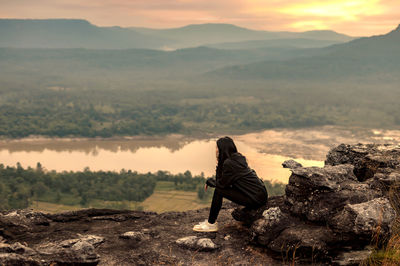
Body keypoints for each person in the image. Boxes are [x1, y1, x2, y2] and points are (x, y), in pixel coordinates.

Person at [193, 136, 268, 232]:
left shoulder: (229, 164)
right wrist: (219, 163)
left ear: (222, 149)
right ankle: (210, 223)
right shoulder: (237, 158)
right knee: (219, 189)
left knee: (219, 191)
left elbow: (221, 184)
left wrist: (209, 181)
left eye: (217, 148)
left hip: (255, 198)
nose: (215, 150)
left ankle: (211, 224)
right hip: (260, 195)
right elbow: (224, 181)